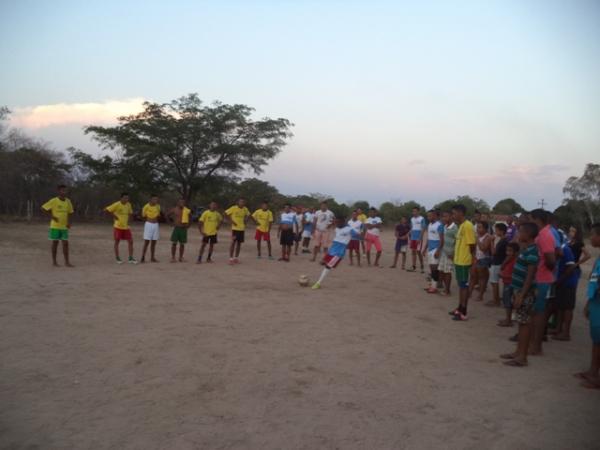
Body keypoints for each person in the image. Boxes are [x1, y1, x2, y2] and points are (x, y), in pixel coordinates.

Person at [500, 222, 539, 367]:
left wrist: (522, 294)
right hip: (519, 291)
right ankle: (518, 352)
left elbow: (530, 275)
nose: (518, 234)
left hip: (525, 293)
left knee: (525, 323)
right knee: (521, 322)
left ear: (527, 235)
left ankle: (522, 356)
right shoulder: (526, 249)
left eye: (520, 232)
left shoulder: (532, 252)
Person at [529, 209, 557, 355]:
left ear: (537, 220)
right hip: (541, 278)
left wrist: (545, 270)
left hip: (543, 279)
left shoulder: (545, 235)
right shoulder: (543, 233)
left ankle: (536, 346)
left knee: (540, 313)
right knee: (536, 312)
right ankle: (534, 344)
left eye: (530, 220)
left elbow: (551, 259)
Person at [575, 223, 600, 389]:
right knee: (596, 339)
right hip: (595, 301)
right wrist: (590, 302)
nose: (591, 238)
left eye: (593, 235)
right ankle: (592, 371)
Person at [311, 216, 361, 289]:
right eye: (336, 222)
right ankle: (319, 281)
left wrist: (363, 232)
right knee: (323, 263)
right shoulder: (337, 228)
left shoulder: (349, 229)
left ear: (343, 222)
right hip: (332, 249)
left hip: (339, 252)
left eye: (338, 222)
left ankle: (318, 283)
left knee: (328, 267)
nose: (336, 223)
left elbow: (359, 236)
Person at [449, 204, 476, 321]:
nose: (453, 216)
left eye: (454, 213)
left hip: (464, 262)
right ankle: (459, 308)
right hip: (459, 261)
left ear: (461, 213)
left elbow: (472, 246)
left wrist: (473, 262)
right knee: (461, 286)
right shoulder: (461, 226)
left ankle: (463, 312)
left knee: (464, 287)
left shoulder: (468, 226)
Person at [550, 243, 579, 341]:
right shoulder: (558, 249)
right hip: (561, 282)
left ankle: (566, 333)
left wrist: (560, 280)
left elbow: (571, 267)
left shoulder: (565, 249)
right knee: (560, 306)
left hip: (568, 283)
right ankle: (558, 329)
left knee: (567, 307)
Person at [41, 184, 74, 267]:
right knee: (55, 243)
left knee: (65, 243)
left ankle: (67, 262)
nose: (64, 192)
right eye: (62, 190)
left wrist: (69, 222)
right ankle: (54, 262)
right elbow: (43, 208)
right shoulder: (54, 201)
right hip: (55, 226)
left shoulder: (68, 201)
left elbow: (70, 212)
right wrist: (52, 217)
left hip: (64, 226)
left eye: (65, 190)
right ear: (59, 191)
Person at [105, 193, 136, 264]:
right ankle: (118, 258)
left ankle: (130, 258)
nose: (126, 199)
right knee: (117, 242)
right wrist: (114, 216)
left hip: (126, 227)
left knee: (130, 241)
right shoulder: (117, 204)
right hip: (118, 226)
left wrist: (130, 220)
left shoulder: (128, 204)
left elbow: (130, 213)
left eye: (127, 198)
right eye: (125, 198)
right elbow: (106, 210)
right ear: (121, 198)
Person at [497, 242, 520, 327]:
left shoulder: (515, 261)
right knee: (507, 301)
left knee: (508, 301)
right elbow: (502, 267)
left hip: (510, 283)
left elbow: (514, 274)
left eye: (510, 251)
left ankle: (508, 320)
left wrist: (503, 275)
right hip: (506, 282)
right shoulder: (508, 259)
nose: (508, 253)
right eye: (507, 250)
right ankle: (508, 318)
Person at [470, 221, 493, 302]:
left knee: (482, 278)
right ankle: (469, 293)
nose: (478, 229)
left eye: (480, 227)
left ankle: (480, 295)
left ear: (485, 229)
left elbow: (483, 248)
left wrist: (477, 240)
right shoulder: (478, 236)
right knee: (473, 276)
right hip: (476, 258)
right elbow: (474, 249)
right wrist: (473, 258)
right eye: (477, 227)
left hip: (483, 259)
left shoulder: (488, 237)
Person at [422, 210, 444, 294]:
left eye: (430, 216)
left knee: (435, 269)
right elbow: (428, 238)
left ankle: (435, 287)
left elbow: (442, 240)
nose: (428, 218)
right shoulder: (429, 225)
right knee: (431, 269)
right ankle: (432, 286)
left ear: (435, 215)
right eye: (427, 216)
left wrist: (438, 250)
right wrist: (424, 249)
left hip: (435, 249)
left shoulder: (439, 225)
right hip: (430, 249)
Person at [488, 223, 508, 307]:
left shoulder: (503, 241)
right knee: (494, 282)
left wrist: (492, 241)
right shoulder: (503, 240)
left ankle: (495, 301)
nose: (495, 232)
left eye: (496, 230)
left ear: (501, 231)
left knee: (494, 282)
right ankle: (496, 299)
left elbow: (493, 252)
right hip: (498, 262)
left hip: (497, 263)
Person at [225, 198, 250, 265]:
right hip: (235, 229)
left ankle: (236, 258)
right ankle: (230, 259)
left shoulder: (245, 209)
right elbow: (226, 213)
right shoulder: (233, 208)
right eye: (241, 202)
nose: (242, 203)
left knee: (239, 244)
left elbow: (248, 215)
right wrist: (231, 221)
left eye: (243, 202)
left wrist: (246, 220)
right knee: (233, 243)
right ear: (238, 202)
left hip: (242, 229)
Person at [438, 211, 457, 296]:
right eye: (443, 217)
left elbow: (457, 241)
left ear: (451, 217)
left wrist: (453, 253)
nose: (444, 218)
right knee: (442, 271)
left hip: (450, 253)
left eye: (446, 216)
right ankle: (445, 288)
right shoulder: (445, 226)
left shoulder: (455, 228)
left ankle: (447, 291)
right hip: (444, 252)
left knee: (448, 272)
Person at [168, 198, 191, 263]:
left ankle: (181, 257)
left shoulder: (187, 210)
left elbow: (191, 217)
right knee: (174, 243)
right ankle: (173, 257)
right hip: (177, 228)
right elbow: (167, 215)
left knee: (182, 244)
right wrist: (170, 223)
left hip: (183, 229)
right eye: (180, 202)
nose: (182, 204)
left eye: (183, 202)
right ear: (178, 203)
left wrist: (189, 225)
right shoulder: (174, 209)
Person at [140, 194, 161, 263]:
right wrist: (148, 221)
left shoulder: (158, 206)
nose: (156, 201)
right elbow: (143, 216)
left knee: (154, 242)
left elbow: (158, 215)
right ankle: (143, 257)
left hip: (156, 225)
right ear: (150, 199)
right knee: (146, 242)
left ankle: (152, 257)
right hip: (148, 224)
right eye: (154, 199)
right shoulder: (146, 206)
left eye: (157, 199)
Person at [408, 207, 425, 273]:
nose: (414, 213)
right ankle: (413, 266)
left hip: (418, 238)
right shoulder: (412, 219)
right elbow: (412, 228)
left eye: (415, 211)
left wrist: (420, 238)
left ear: (418, 212)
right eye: (413, 211)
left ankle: (422, 266)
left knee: (418, 252)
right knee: (413, 252)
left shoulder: (422, 218)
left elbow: (423, 229)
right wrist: (408, 235)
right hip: (413, 238)